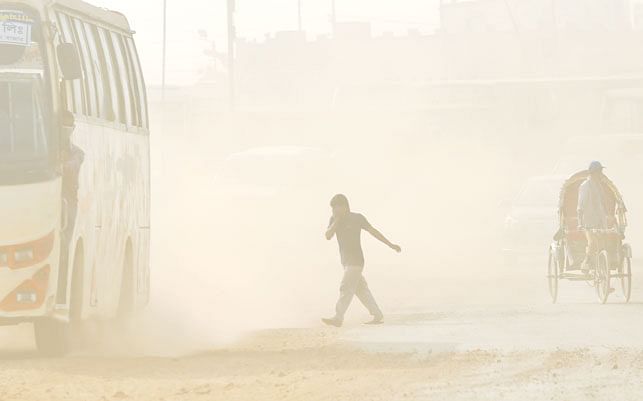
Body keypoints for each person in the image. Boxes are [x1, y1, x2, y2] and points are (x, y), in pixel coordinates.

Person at [322, 194, 401, 327]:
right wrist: (336, 221)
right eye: (333, 208)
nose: (334, 210)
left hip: (356, 260)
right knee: (361, 289)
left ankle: (338, 317)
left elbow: (373, 231)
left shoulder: (357, 218)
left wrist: (390, 244)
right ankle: (377, 314)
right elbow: (328, 236)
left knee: (345, 287)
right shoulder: (334, 220)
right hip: (345, 261)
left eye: (337, 207)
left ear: (345, 206)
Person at [577, 161, 610, 272]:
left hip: (600, 220)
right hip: (588, 221)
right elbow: (580, 206)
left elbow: (603, 202)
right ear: (593, 173)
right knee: (592, 242)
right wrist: (580, 223)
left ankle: (602, 272)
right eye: (599, 171)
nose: (601, 173)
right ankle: (585, 262)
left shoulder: (598, 185)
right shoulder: (585, 186)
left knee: (603, 243)